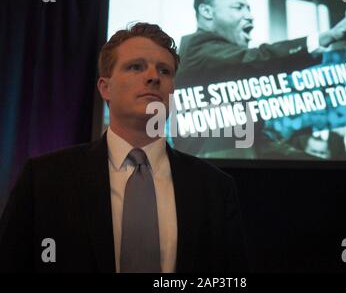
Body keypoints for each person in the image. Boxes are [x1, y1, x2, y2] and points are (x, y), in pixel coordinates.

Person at [0, 23, 248, 273]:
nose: (153, 76)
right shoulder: (44, 178)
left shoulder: (215, 188)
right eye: (136, 67)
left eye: (165, 71)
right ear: (104, 88)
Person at [173, 0, 346, 157]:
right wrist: (326, 37)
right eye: (238, 7)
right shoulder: (198, 47)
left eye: (249, 8)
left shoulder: (228, 72)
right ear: (207, 12)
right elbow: (258, 58)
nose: (249, 16)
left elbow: (259, 143)